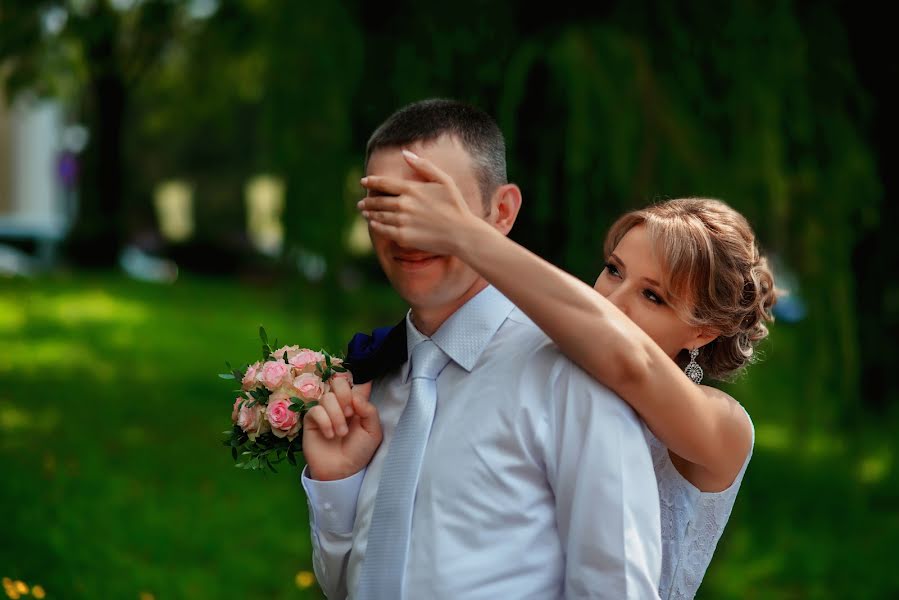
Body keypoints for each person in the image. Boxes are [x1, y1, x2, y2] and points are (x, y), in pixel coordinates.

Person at [358, 151, 777, 598]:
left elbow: (629, 363)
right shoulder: (549, 373)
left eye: (653, 296)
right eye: (614, 270)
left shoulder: (724, 427)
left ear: (701, 332)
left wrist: (464, 234)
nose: (612, 301)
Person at [300, 98, 662, 599]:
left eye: (434, 208)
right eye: (389, 204)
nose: (408, 231)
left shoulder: (571, 378)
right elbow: (346, 587)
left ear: (502, 212)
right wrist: (337, 486)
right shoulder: (372, 382)